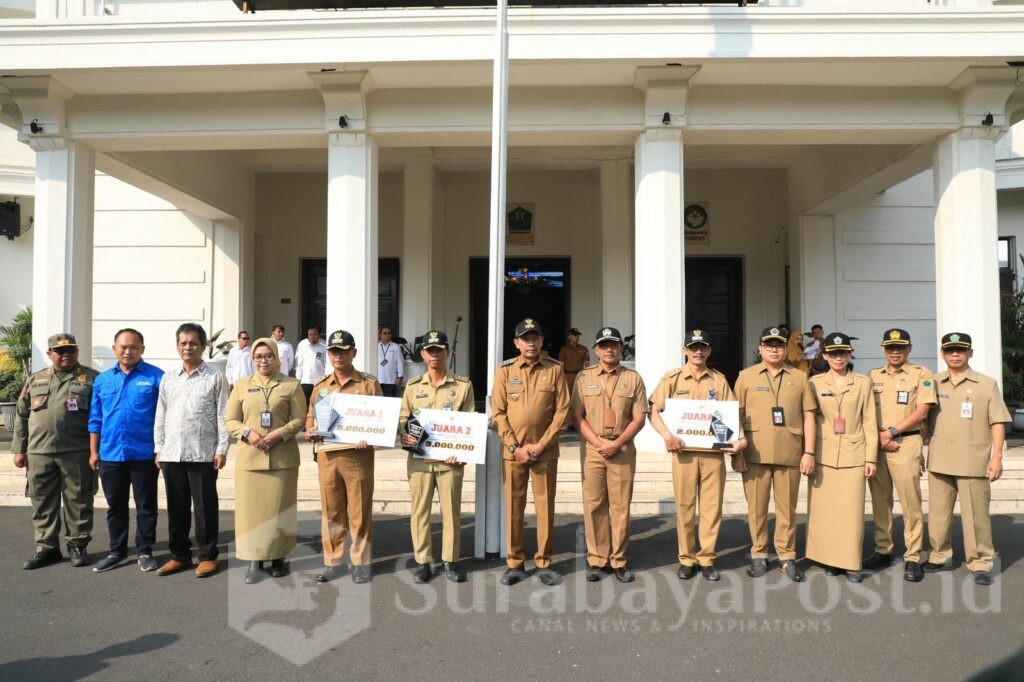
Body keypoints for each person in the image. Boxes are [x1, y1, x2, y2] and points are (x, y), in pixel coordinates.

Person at [648, 329, 745, 582]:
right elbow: (653, 411)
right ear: (685, 351)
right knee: (685, 506)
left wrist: (740, 440)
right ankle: (687, 558)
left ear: (709, 351)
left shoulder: (719, 380)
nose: (698, 352)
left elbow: (731, 414)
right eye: (693, 347)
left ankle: (707, 558)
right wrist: (667, 436)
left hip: (713, 455)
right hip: (684, 453)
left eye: (702, 347)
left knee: (712, 508)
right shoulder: (673, 379)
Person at [922, 332, 1010, 586]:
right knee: (938, 514)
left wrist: (997, 458)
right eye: (950, 350)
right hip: (940, 459)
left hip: (974, 461)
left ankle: (980, 561)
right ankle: (940, 556)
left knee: (976, 516)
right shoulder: (933, 383)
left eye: (961, 350)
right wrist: (919, 450)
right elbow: (924, 421)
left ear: (970, 353)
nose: (955, 354)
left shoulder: (986, 384)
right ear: (942, 354)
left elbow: (997, 421)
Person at [731, 327, 816, 582]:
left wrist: (809, 452)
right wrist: (736, 452)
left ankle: (787, 557)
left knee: (787, 509)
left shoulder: (800, 377)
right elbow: (734, 415)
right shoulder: (745, 377)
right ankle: (759, 554)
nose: (774, 349)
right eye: (769, 345)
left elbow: (809, 415)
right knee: (756, 509)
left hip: (790, 452)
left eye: (779, 345)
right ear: (760, 349)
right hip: (754, 452)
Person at [491, 318, 570, 586]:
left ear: (541, 341)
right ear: (516, 343)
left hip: (544, 452)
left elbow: (562, 411)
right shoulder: (504, 371)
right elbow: (498, 412)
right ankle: (515, 563)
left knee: (545, 508)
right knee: (514, 508)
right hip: (514, 453)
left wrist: (541, 444)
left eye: (535, 337)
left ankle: (543, 562)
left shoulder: (555, 370)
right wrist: (515, 446)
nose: (531, 343)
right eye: (526, 338)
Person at [12, 333, 100, 570]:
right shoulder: (35, 380)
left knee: (79, 501)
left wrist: (96, 450)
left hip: (77, 451)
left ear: (77, 351)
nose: (66, 355)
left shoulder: (91, 379)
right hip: (39, 452)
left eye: (71, 349)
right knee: (42, 503)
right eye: (60, 351)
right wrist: (19, 449)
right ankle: (46, 548)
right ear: (50, 354)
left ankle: (78, 546)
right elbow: (21, 415)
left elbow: (101, 416)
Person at [570, 326, 648, 583]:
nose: (609, 349)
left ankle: (619, 560)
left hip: (622, 448)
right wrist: (598, 442)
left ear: (621, 348)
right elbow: (577, 416)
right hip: (593, 450)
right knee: (594, 505)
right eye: (604, 345)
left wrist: (617, 443)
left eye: (614, 344)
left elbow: (639, 418)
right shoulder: (583, 377)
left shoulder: (633, 378)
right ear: (596, 350)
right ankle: (597, 559)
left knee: (620, 506)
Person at [226, 337, 306, 585]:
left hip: (282, 458)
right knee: (252, 513)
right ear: (252, 359)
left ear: (276, 357)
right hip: (251, 459)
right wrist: (248, 433)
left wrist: (277, 434)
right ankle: (254, 559)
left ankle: (279, 557)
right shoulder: (240, 385)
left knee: (280, 510)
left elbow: (300, 419)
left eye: (268, 355)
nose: (263, 360)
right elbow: (230, 421)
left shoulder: (291, 385)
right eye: (258, 356)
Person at [304, 329, 381, 585]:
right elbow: (310, 417)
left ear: (354, 353)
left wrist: (370, 435)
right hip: (327, 457)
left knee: (359, 511)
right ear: (329, 354)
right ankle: (334, 561)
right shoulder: (320, 387)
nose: (338, 356)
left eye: (344, 351)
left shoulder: (368, 384)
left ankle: (360, 562)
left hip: (357, 457)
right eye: (334, 351)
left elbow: (382, 420)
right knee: (332, 511)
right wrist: (310, 430)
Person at [153, 323, 230, 578]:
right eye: (183, 343)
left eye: (193, 343)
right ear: (178, 346)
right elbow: (161, 414)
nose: (188, 347)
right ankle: (180, 555)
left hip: (203, 453)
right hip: (172, 453)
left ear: (203, 346)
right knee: (176, 508)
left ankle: (208, 556)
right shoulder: (168, 378)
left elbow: (223, 414)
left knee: (205, 508)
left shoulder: (215, 376)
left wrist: (222, 448)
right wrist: (159, 448)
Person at [399, 330, 474, 583]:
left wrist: (462, 451)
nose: (435, 355)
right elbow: (403, 417)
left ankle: (450, 561)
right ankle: (423, 562)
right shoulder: (412, 387)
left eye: (439, 350)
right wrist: (404, 434)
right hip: (419, 461)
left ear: (447, 352)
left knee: (451, 512)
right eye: (430, 351)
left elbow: (469, 423)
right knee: (419, 512)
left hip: (449, 461)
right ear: (423, 354)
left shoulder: (463, 386)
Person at [88, 329, 165, 573]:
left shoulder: (157, 377)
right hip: (111, 454)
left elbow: (165, 417)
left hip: (144, 455)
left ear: (142, 349)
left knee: (146, 507)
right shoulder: (102, 380)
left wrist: (161, 449)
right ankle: (117, 551)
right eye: (122, 346)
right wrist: (93, 451)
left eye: (133, 347)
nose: (127, 351)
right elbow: (95, 419)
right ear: (114, 349)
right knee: (116, 507)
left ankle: (145, 550)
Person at [864, 328, 935, 582]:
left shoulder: (921, 374)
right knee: (880, 501)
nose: (895, 352)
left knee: (910, 502)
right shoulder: (872, 376)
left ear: (909, 349)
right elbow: (865, 411)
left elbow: (923, 410)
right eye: (891, 348)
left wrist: (892, 433)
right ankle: (883, 550)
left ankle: (913, 556)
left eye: (901, 347)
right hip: (879, 445)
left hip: (906, 443)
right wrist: (881, 439)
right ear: (884, 350)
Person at [806, 332, 878, 583]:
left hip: (853, 452)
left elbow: (869, 420)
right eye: (833, 353)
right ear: (824, 355)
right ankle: (830, 559)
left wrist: (871, 457)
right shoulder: (814, 383)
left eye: (843, 353)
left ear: (850, 354)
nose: (838, 357)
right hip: (823, 453)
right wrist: (808, 454)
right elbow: (810, 420)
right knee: (825, 512)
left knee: (851, 512)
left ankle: (851, 562)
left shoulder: (862, 382)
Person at [295, 326, 327, 405]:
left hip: (320, 380)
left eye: (314, 334)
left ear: (319, 335)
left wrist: (326, 379)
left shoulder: (324, 345)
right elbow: (299, 363)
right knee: (304, 403)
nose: (312, 336)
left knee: (319, 403)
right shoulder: (302, 345)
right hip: (305, 381)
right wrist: (298, 379)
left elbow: (327, 363)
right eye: (310, 334)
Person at [558, 327, 590, 391]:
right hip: (568, 376)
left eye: (578, 335)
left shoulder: (583, 349)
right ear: (569, 337)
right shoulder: (564, 350)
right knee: (568, 396)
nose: (577, 337)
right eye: (575, 335)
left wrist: (588, 376)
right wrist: (561, 377)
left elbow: (587, 364)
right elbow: (561, 364)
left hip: (580, 375)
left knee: (581, 394)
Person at [376, 325, 404, 398]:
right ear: (380, 335)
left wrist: (400, 377)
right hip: (378, 380)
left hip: (391, 380)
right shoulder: (376, 346)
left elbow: (400, 363)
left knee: (390, 403)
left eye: (389, 333)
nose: (387, 335)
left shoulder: (396, 347)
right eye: (384, 333)